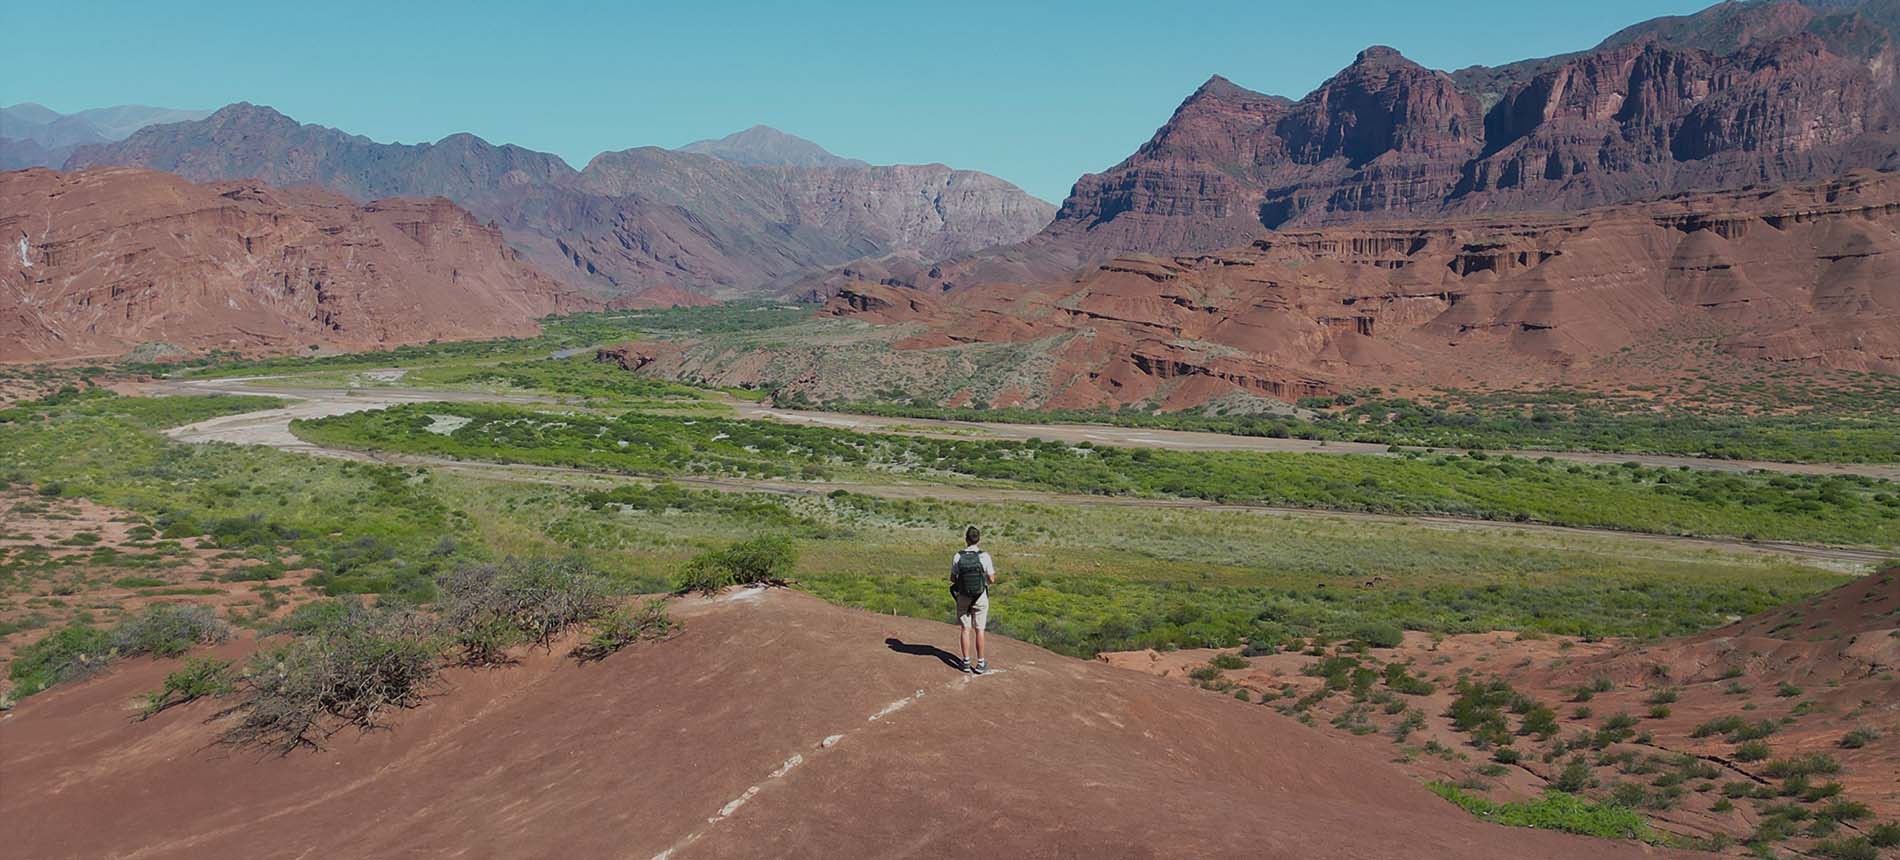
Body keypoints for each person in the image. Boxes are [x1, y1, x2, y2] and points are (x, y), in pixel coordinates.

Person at [950, 525, 996, 674]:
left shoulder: (958, 556)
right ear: (978, 539)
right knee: (979, 630)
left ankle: (965, 662)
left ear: (966, 539)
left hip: (963, 596)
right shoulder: (985, 556)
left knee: (965, 629)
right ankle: (980, 663)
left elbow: (952, 578)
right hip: (980, 596)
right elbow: (992, 579)